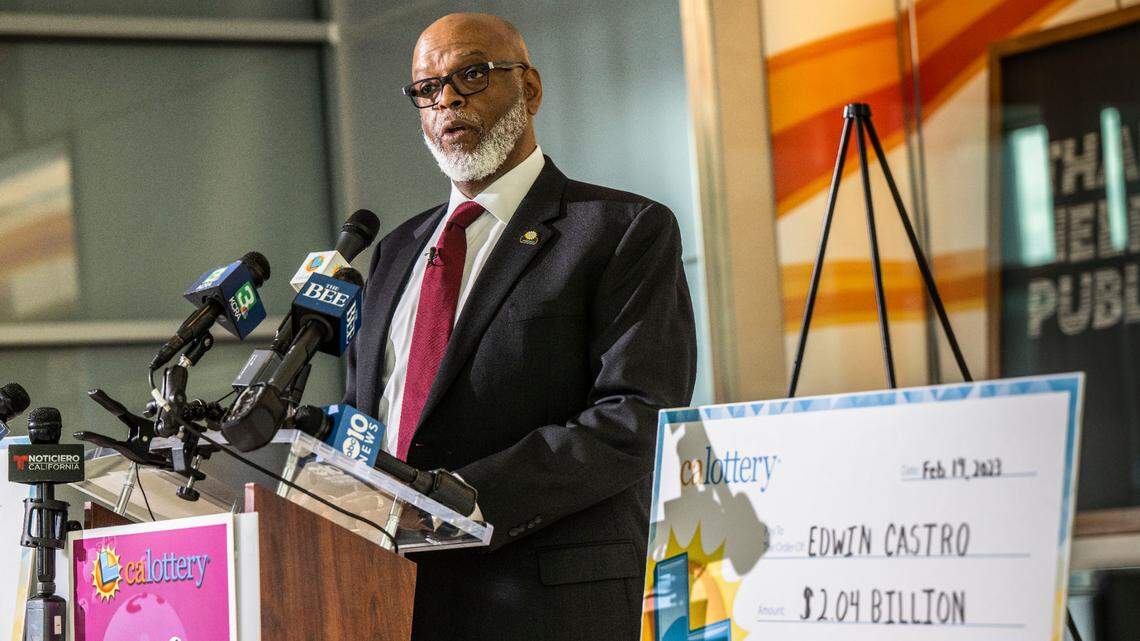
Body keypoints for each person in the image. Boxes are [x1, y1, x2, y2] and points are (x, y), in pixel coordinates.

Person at [343, 12, 697, 640]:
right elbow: (370, 414)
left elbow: (636, 415)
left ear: (529, 89)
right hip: (387, 593)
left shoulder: (621, 230)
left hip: (544, 601)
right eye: (427, 89)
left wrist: (456, 496)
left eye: (471, 75)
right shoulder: (396, 250)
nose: (446, 98)